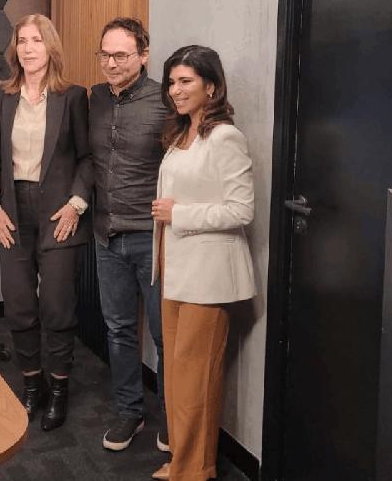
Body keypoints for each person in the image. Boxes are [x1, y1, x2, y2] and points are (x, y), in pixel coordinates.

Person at [0, 14, 91, 432]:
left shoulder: (72, 97)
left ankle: (59, 389)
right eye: (22, 40)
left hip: (59, 213)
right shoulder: (3, 96)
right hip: (12, 212)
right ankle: (32, 385)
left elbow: (88, 158)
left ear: (51, 48)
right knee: (19, 305)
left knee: (57, 306)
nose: (28, 48)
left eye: (37, 40)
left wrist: (77, 203)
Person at [149, 45, 256, 480]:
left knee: (196, 380)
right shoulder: (181, 134)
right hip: (174, 270)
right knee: (177, 378)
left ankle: (194, 470)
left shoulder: (226, 137)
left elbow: (241, 210)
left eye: (185, 81)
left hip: (208, 278)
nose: (176, 90)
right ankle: (184, 461)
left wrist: (180, 214)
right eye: (172, 82)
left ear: (211, 85)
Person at [90, 17, 168, 452]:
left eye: (120, 55)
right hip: (107, 235)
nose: (111, 63)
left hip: (151, 237)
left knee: (163, 334)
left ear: (143, 55)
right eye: (104, 54)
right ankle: (130, 412)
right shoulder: (96, 98)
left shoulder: (164, 100)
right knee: (118, 330)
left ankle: (173, 420)